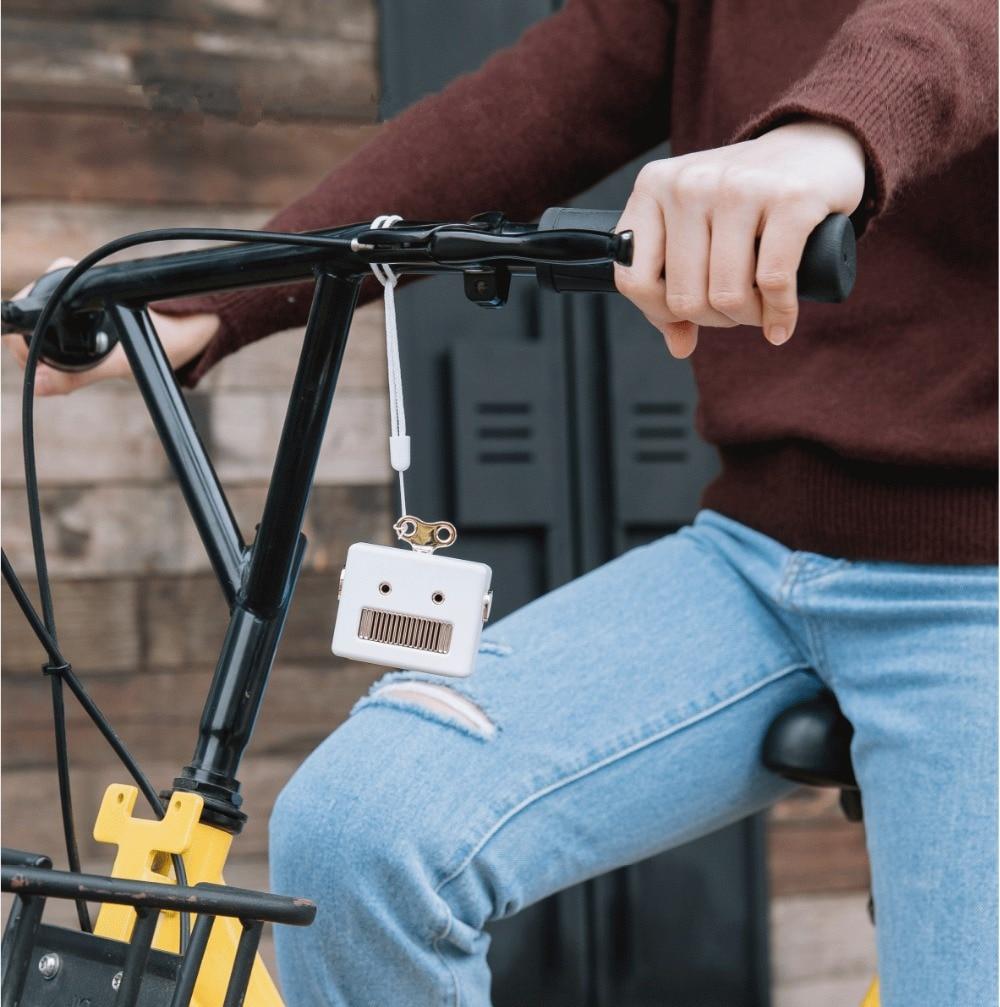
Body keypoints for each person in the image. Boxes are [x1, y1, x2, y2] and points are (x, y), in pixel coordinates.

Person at [7, 2, 997, 1004]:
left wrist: (831, 133)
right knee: (361, 830)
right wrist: (207, 297)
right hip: (751, 557)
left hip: (978, 581)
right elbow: (520, 113)